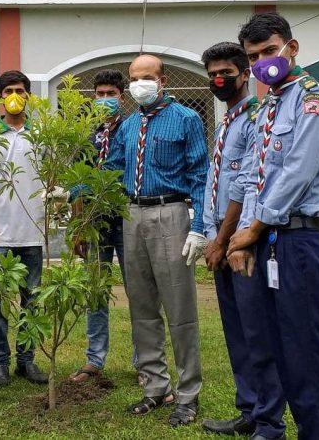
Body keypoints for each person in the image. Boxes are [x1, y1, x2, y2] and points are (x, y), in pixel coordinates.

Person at [227, 12, 319, 440]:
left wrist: (253, 228)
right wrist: (244, 237)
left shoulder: (317, 101)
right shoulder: (267, 107)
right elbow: (254, 177)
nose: (262, 62)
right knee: (277, 349)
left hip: (299, 240)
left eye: (269, 51)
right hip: (266, 239)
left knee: (307, 353)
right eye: (253, 56)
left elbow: (297, 172)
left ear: (291, 48)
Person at [104, 53, 209, 427]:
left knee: (179, 307)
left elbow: (200, 174)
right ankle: (155, 387)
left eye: (146, 77)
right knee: (141, 305)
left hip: (170, 212)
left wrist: (200, 225)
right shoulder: (128, 124)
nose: (139, 84)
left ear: (163, 80)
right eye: (134, 78)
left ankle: (188, 394)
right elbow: (113, 168)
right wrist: (77, 189)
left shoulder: (187, 119)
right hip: (131, 214)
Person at [199, 42, 287, 440]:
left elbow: (247, 184)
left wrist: (229, 240)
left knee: (257, 332)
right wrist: (209, 235)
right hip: (220, 236)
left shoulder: (257, 118)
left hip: (242, 239)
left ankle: (269, 422)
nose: (219, 80)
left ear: (244, 74)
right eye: (212, 74)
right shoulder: (225, 123)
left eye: (226, 73)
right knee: (236, 331)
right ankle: (249, 409)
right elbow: (213, 184)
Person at [0, 70, 48, 386]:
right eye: (8, 91)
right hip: (1, 232)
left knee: (31, 299)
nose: (14, 96)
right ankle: (0, 363)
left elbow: (50, 175)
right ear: (0, 97)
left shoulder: (41, 134)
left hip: (32, 230)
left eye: (20, 90)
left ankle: (26, 361)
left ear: (28, 96)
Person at [69, 69, 130, 383]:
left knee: (138, 289)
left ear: (122, 96)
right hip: (95, 220)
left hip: (128, 217)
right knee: (96, 290)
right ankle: (94, 359)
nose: (105, 99)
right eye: (100, 94)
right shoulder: (87, 136)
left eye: (111, 94)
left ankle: (144, 361)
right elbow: (78, 183)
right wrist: (79, 224)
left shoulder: (132, 129)